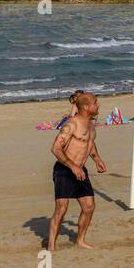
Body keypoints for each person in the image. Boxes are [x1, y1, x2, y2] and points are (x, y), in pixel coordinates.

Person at [47, 91, 105, 251]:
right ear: (86, 107)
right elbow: (56, 148)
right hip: (65, 169)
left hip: (80, 170)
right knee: (61, 208)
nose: (98, 104)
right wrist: (73, 166)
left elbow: (89, 144)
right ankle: (51, 245)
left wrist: (97, 159)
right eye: (95, 102)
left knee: (89, 206)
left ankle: (80, 240)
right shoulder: (71, 125)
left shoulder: (91, 125)